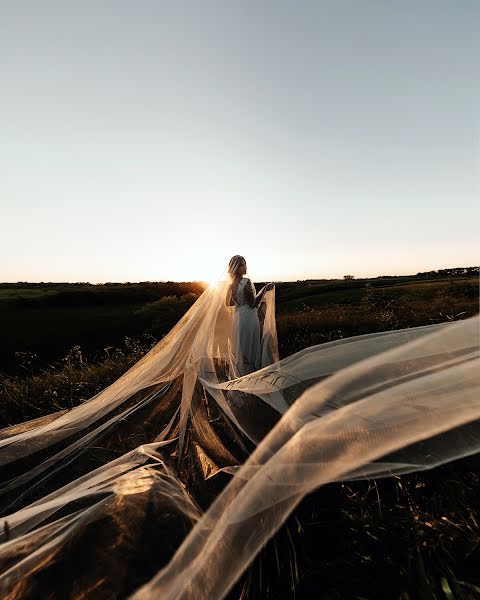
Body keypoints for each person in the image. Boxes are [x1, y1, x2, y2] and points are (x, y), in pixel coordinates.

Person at [225, 255, 274, 377]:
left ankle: (240, 377)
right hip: (249, 318)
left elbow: (228, 303)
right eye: (242, 265)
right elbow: (253, 304)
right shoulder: (245, 282)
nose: (245, 267)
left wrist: (239, 301)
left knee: (241, 349)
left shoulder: (231, 285)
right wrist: (265, 289)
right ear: (236, 267)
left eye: (244, 264)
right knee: (251, 349)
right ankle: (250, 378)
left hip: (238, 319)